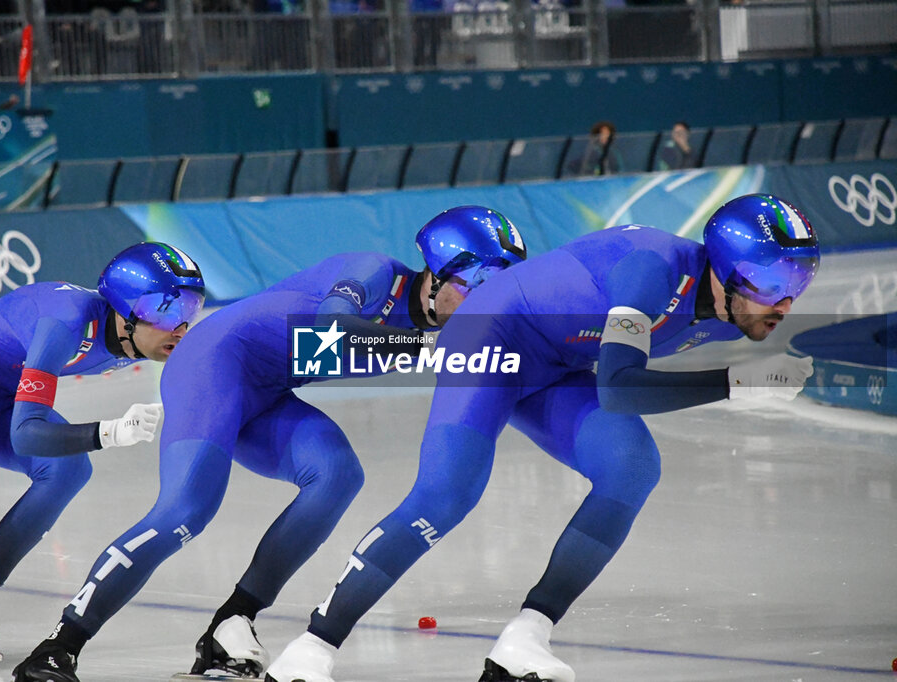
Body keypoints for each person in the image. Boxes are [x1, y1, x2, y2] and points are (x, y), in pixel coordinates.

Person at [264, 193, 820, 682]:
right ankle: (309, 650)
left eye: (799, 282)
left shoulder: (730, 310)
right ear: (725, 268)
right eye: (774, 283)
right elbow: (621, 388)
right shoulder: (652, 272)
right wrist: (735, 383)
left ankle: (524, 640)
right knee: (445, 497)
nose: (785, 303)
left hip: (555, 363)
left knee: (630, 467)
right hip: (491, 334)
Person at [10, 206, 528, 682]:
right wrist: (426, 344)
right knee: (183, 512)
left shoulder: (446, 323)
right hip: (211, 367)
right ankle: (59, 646)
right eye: (476, 283)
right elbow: (322, 332)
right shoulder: (373, 272)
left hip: (268, 389)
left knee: (338, 476)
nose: (484, 300)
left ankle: (232, 623)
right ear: (434, 274)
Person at [0, 242, 206, 656]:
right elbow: (26, 435)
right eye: (165, 309)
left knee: (68, 471)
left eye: (190, 309)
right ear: (124, 309)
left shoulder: (132, 340)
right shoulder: (65, 324)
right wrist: (112, 432)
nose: (180, 326)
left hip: (1, 395)